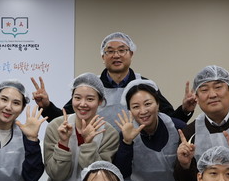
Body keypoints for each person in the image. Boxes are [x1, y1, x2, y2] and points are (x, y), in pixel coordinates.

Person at [32, 32, 196, 124]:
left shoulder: (145, 86)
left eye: (122, 50)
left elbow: (169, 121)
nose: (116, 55)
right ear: (103, 57)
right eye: (110, 51)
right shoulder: (91, 86)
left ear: (131, 54)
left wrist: (185, 110)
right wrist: (46, 106)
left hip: (137, 153)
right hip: (97, 150)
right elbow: (65, 119)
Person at [43, 73, 118, 181]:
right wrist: (63, 143)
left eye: (90, 99)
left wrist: (88, 144)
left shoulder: (109, 133)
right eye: (77, 98)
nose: (82, 104)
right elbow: (56, 174)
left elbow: (98, 178)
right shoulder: (56, 126)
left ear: (100, 102)